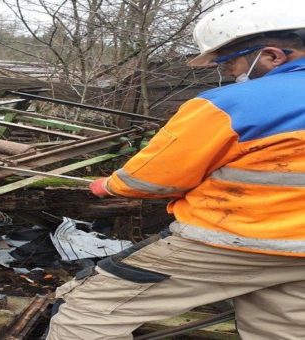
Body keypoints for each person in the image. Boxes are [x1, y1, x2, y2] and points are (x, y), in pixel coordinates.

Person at [46, 0, 305, 339]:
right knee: (282, 329)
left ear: (273, 55)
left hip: (238, 239)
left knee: (85, 311)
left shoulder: (232, 104)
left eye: (228, 62)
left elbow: (152, 178)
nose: (227, 72)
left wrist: (109, 186)